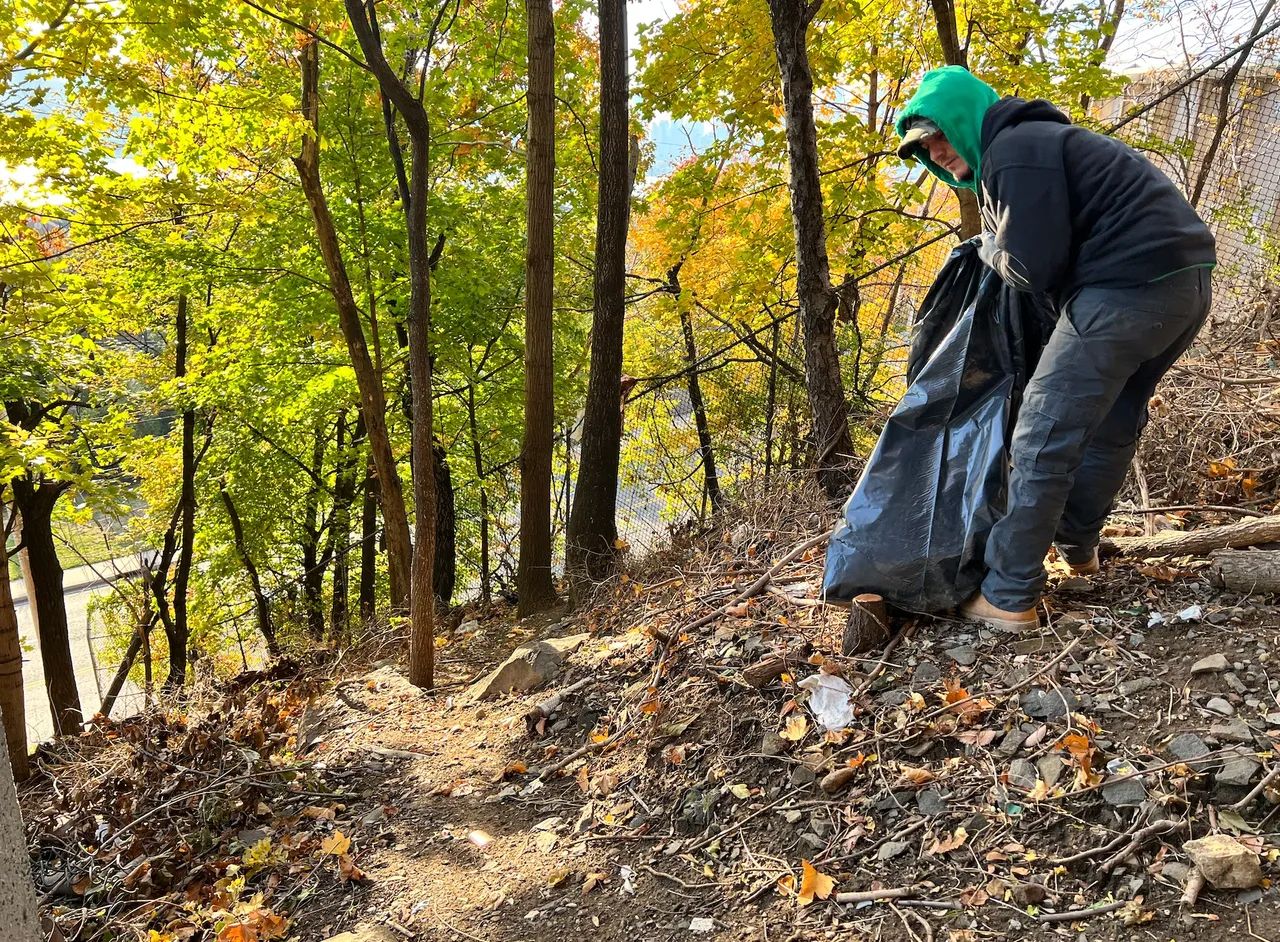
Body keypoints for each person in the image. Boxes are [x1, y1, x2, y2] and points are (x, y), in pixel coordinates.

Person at [895, 66, 1216, 631]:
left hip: (1124, 290)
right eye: (923, 146)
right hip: (1181, 287)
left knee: (1042, 434)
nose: (936, 151)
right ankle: (1079, 548)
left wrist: (987, 249)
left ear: (964, 118)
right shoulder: (1040, 142)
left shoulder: (1012, 151)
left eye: (939, 133)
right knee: (1113, 422)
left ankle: (1010, 591)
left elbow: (1031, 266)